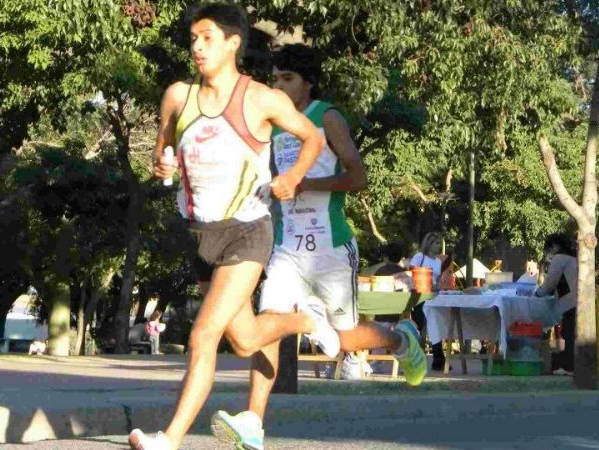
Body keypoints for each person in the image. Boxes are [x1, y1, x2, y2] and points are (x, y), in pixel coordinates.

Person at [128, 5, 341, 449]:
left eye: (207, 38)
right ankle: (307, 319)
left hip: (247, 231)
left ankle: (169, 438)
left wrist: (292, 177)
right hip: (199, 234)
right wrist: (161, 164)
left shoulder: (261, 98)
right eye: (193, 39)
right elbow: (163, 151)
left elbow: (313, 137)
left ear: (233, 43)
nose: (197, 47)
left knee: (203, 334)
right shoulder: (177, 96)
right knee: (243, 341)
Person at [209, 43, 427, 450]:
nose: (278, 86)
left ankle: (400, 340)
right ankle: (253, 422)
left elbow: (358, 177)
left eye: (287, 79)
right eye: (274, 79)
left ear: (307, 83)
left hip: (331, 247)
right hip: (287, 248)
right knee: (269, 323)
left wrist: (304, 182)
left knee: (344, 340)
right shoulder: (273, 125)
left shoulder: (327, 117)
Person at [534, 233, 578, 374]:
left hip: (570, 301)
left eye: (550, 249)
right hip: (582, 300)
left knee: (569, 333)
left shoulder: (559, 258)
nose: (550, 253)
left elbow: (550, 284)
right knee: (574, 334)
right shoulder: (576, 258)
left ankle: (568, 367)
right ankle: (572, 365)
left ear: (555, 246)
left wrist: (537, 293)